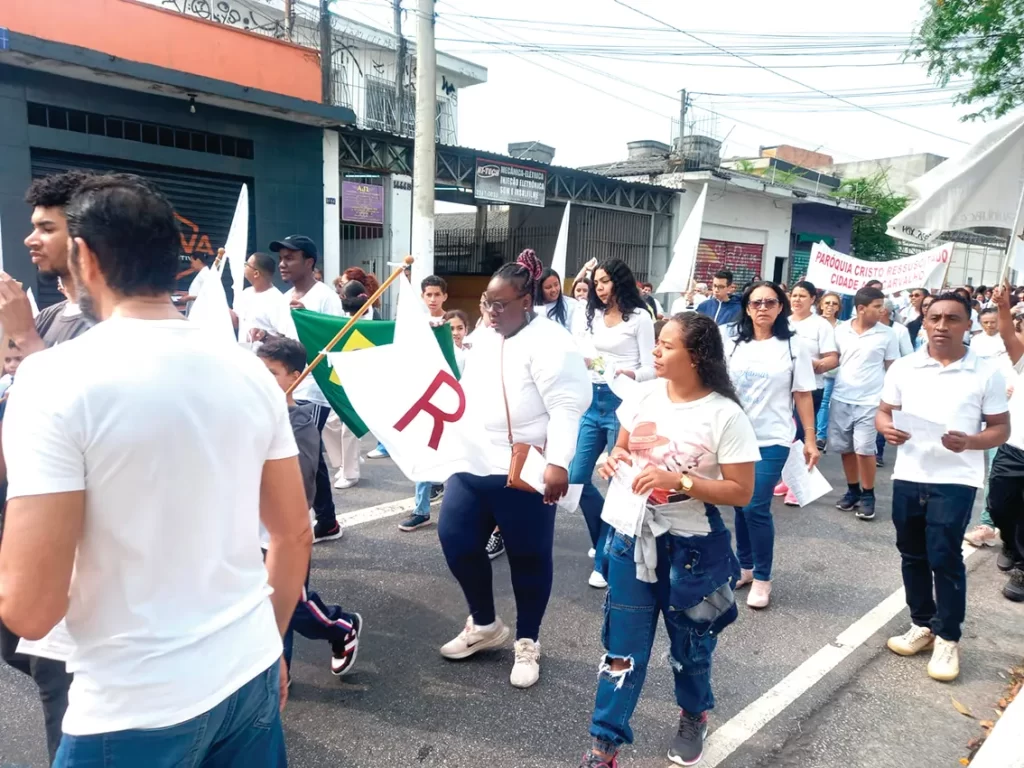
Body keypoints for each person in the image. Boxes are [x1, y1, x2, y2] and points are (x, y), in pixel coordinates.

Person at [0, 173, 312, 765]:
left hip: (132, 704)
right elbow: (293, 534)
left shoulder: (52, 380)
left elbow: (30, 609)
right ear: (174, 262)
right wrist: (270, 648)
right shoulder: (250, 371)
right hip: (246, 669)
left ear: (85, 256)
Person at [578, 313, 759, 768]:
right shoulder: (641, 395)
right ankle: (603, 747)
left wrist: (679, 481)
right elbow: (620, 448)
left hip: (693, 549)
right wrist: (612, 459)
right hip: (628, 539)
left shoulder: (724, 414)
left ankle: (694, 715)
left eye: (666, 345)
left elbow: (741, 491)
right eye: (656, 343)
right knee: (622, 651)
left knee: (690, 648)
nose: (655, 352)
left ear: (695, 356)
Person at [437, 257, 590, 690]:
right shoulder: (484, 336)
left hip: (526, 462)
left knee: (528, 556)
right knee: (456, 540)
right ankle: (484, 624)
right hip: (474, 458)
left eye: (500, 305)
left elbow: (565, 407)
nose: (489, 311)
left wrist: (560, 462)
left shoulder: (553, 342)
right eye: (486, 302)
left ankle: (528, 640)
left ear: (527, 301)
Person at [0, 169, 94, 762]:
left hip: (74, 549)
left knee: (68, 701)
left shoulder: (106, 324)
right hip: (26, 516)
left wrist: (20, 341)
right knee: (24, 651)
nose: (31, 239)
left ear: (82, 238)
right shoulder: (52, 313)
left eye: (46, 228)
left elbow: (78, 412)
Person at [876, 291, 1008, 681]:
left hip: (955, 478)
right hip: (909, 474)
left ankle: (948, 637)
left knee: (944, 555)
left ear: (968, 324)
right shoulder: (904, 367)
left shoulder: (986, 371)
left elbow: (1001, 428)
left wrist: (970, 441)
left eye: (952, 319)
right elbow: (883, 413)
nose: (941, 326)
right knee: (911, 553)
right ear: (924, 321)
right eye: (934, 318)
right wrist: (888, 430)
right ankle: (922, 624)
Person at [256, 337, 363, 678]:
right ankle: (271, 676)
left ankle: (340, 626)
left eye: (271, 373)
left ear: (295, 376)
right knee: (260, 603)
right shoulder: (246, 413)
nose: (260, 379)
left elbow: (300, 483)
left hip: (282, 532)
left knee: (289, 604)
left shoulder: (299, 421)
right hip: (243, 531)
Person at [724, 282, 818, 608]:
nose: (762, 308)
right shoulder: (733, 343)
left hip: (773, 437)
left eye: (770, 302)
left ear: (781, 307)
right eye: (756, 303)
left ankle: (763, 577)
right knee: (739, 503)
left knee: (755, 505)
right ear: (747, 308)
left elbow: (803, 393)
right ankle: (745, 566)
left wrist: (809, 438)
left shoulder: (794, 346)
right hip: (734, 437)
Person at [573, 259, 656, 589]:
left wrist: (629, 373)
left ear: (620, 282)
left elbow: (653, 368)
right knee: (577, 480)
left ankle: (606, 559)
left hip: (624, 402)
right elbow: (580, 347)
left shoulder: (640, 319)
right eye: (596, 282)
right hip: (592, 400)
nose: (599, 287)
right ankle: (603, 541)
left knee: (619, 482)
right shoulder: (589, 314)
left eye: (605, 281)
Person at [256, 234, 345, 543]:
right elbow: (284, 343)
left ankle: (297, 528)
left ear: (309, 262)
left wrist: (308, 318)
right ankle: (326, 521)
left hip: (314, 389)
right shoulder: (284, 298)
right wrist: (265, 337)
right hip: (289, 387)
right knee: (310, 453)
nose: (283, 263)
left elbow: (336, 341)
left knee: (300, 451)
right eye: (281, 257)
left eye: (290, 257)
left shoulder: (325, 297)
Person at [829, 286, 900, 521]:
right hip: (841, 398)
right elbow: (832, 359)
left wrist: (894, 400)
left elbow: (893, 368)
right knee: (846, 449)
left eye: (882, 306)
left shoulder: (887, 334)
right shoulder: (840, 331)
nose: (882, 311)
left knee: (864, 450)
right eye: (877, 307)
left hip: (871, 402)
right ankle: (852, 490)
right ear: (861, 309)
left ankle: (868, 495)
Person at [978, 285, 1024, 601]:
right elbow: (1008, 336)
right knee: (999, 503)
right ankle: (1009, 540)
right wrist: (1004, 306)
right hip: (1015, 447)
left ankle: (1022, 567)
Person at [774, 281, 837, 506]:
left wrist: (815, 365)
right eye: (794, 295)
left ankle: (799, 484)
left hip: (810, 388)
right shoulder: (783, 322)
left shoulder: (821, 326)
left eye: (803, 296)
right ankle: (787, 479)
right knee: (786, 435)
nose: (797, 300)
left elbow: (832, 358)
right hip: (782, 388)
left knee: (801, 436)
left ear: (813, 300)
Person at [398, 274, 451, 532]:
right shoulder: (415, 324)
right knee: (422, 452)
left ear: (444, 296)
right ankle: (421, 509)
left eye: (436, 294)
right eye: (428, 294)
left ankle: (459, 506)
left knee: (454, 455)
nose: (432, 299)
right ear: (422, 296)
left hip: (450, 399)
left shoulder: (452, 324)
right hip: (424, 397)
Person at [322, 281, 373, 492]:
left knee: (348, 427)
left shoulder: (375, 320)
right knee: (329, 421)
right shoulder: (341, 319)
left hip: (365, 381)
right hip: (340, 378)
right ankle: (344, 461)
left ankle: (350, 473)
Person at [873, 299, 915, 468]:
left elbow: (908, 354)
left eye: (878, 307)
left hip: (890, 381)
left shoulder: (899, 330)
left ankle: (878, 452)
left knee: (885, 413)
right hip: (872, 382)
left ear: (885, 311)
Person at [232, 251, 283, 347]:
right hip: (245, 356)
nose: (244, 267)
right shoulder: (245, 293)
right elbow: (236, 322)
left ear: (256, 273)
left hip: (265, 359)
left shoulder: (277, 301)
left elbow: (287, 339)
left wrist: (264, 336)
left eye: (246, 264)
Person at [814, 291, 843, 451]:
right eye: (827, 303)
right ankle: (820, 435)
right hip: (818, 371)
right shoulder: (814, 323)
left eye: (834, 304)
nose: (830, 306)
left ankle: (825, 434)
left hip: (836, 371)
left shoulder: (843, 326)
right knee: (823, 402)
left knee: (832, 404)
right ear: (820, 305)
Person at [536, 264, 578, 331]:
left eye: (556, 284)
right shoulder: (532, 307)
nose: (554, 290)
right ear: (539, 289)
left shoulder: (572, 305)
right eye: (548, 287)